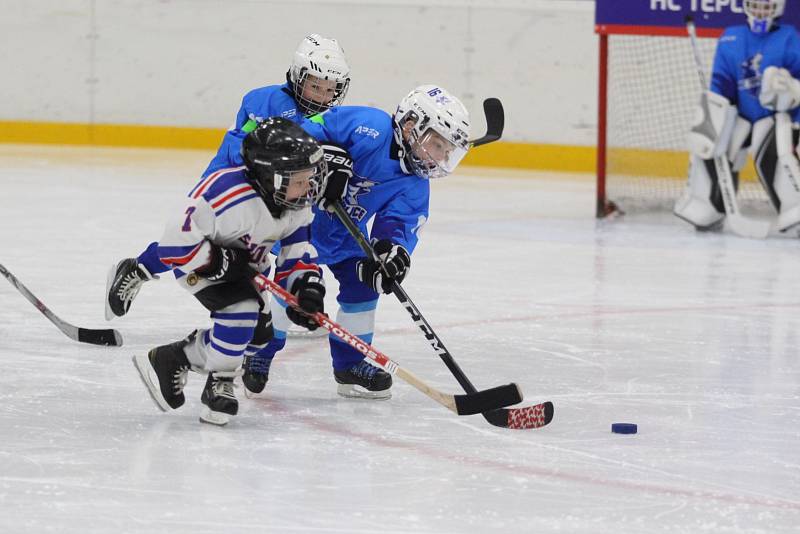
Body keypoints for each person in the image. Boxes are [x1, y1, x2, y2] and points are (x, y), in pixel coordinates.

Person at [234, 85, 471, 400]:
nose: (441, 157)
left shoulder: (415, 183)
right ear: (412, 125)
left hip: (347, 236)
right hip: (301, 225)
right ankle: (260, 351)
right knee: (292, 287)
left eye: (446, 150)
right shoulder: (369, 126)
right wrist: (325, 159)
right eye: (437, 144)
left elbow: (399, 223)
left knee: (364, 287)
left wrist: (391, 252)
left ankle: (350, 365)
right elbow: (307, 130)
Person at [106, 34, 350, 320]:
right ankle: (137, 269)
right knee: (197, 241)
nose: (321, 96)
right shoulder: (265, 100)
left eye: (329, 89)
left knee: (286, 247)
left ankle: (290, 307)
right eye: (315, 86)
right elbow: (249, 152)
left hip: (274, 192)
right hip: (231, 186)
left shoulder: (330, 116)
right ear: (298, 76)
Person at [132, 117, 329, 425]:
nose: (309, 187)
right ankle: (220, 383)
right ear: (270, 175)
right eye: (299, 180)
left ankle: (173, 358)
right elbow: (173, 245)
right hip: (197, 264)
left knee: (259, 337)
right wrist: (218, 262)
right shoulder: (224, 193)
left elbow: (295, 259)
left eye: (309, 178)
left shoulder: (296, 206)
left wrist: (304, 290)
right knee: (242, 312)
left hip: (246, 270)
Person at [674, 0, 800, 232]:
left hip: (773, 116)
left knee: (778, 154)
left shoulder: (790, 38)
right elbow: (722, 82)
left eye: (767, 8)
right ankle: (707, 204)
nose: (760, 13)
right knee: (708, 138)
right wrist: (715, 109)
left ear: (778, 9)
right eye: (755, 6)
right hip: (741, 115)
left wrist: (791, 90)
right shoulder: (731, 38)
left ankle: (795, 208)